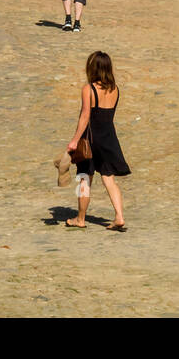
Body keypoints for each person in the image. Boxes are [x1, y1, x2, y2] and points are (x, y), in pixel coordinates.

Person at [65, 50, 129, 231]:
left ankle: (80, 218)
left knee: (84, 177)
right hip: (109, 137)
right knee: (109, 178)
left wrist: (75, 140)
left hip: (91, 138)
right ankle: (119, 217)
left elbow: (85, 117)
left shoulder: (89, 89)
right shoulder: (115, 89)